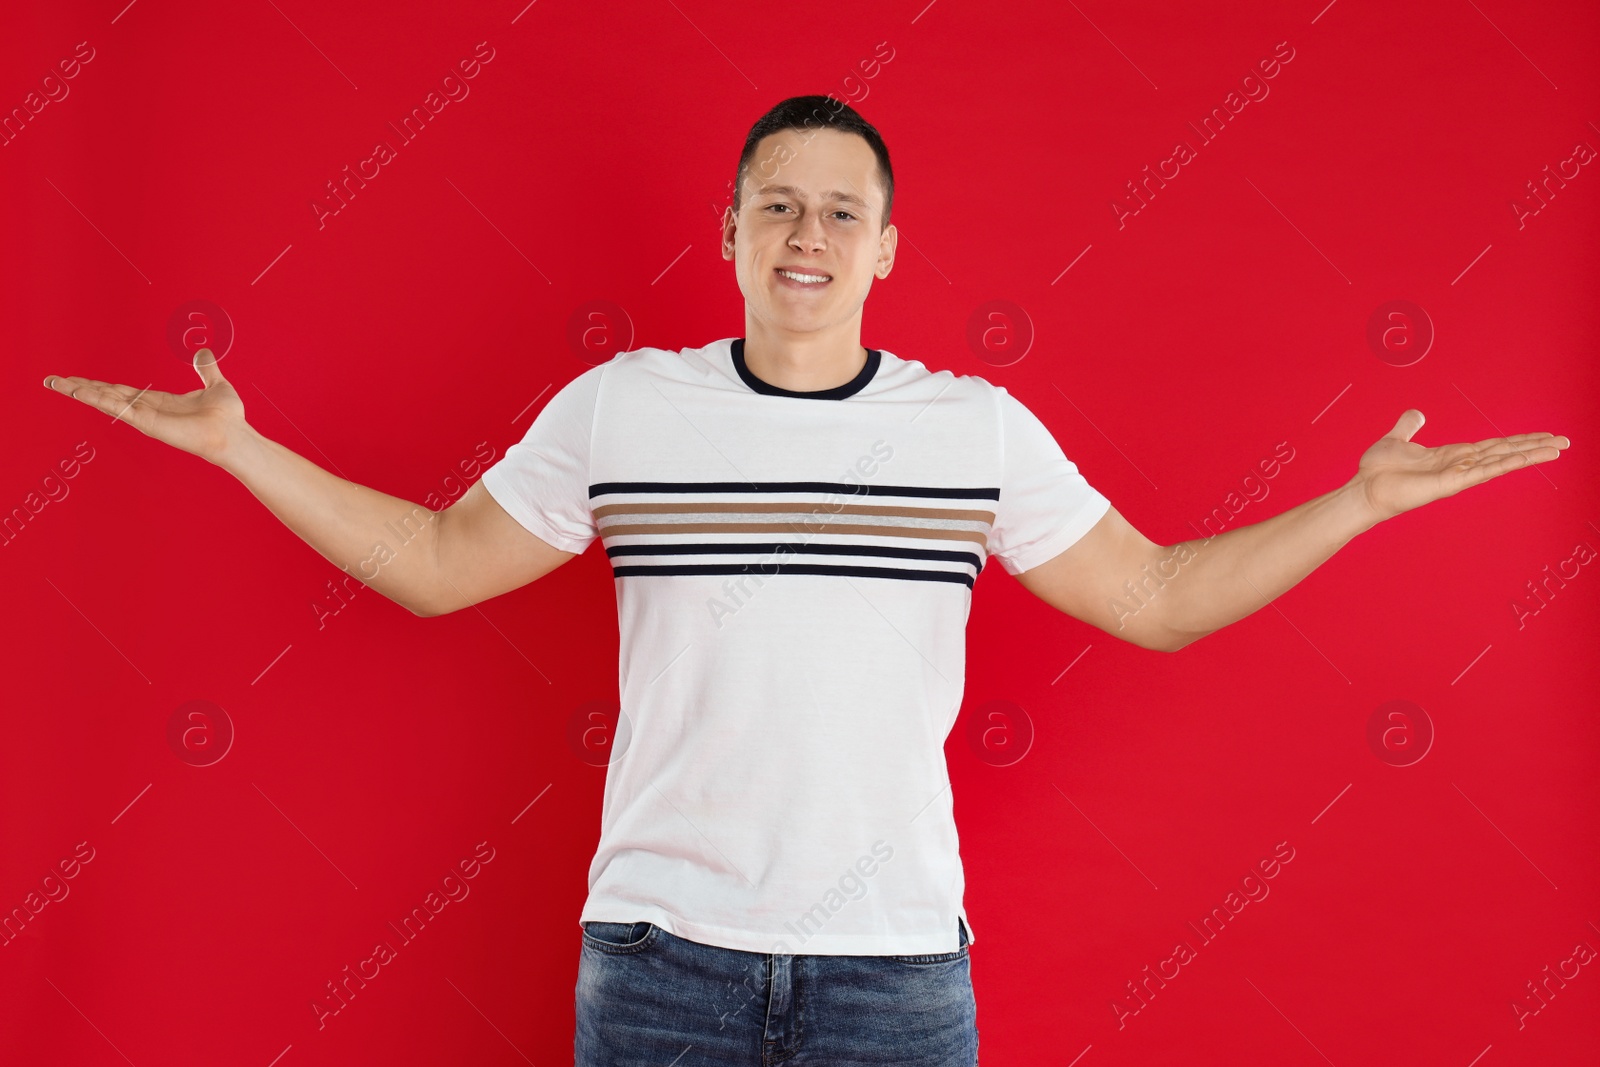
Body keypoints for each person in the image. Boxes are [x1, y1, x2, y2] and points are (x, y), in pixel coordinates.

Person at [42, 95, 1568, 1065]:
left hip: (896, 977)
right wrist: (246, 453)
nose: (808, 233)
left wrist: (1356, 506)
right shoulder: (623, 409)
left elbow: (1157, 595)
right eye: (779, 201)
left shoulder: (969, 431)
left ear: (889, 249)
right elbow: (438, 565)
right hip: (656, 969)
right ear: (730, 230)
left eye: (843, 210)